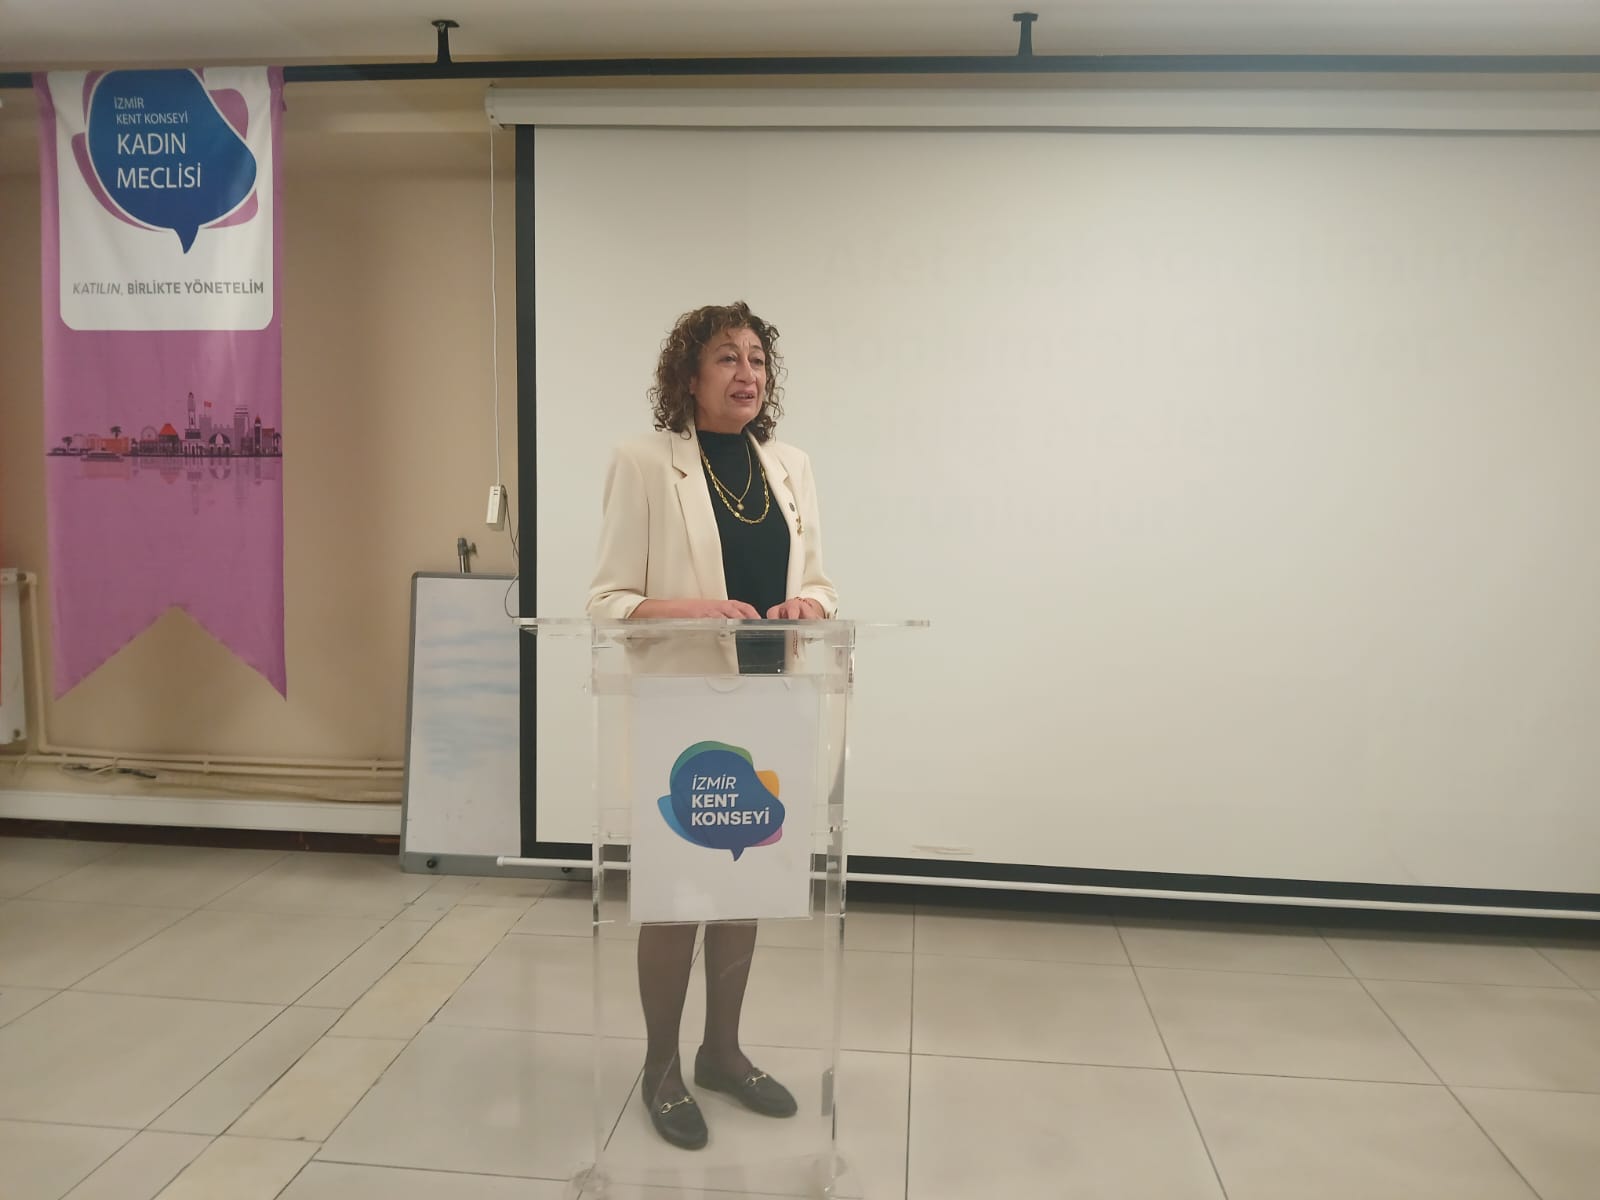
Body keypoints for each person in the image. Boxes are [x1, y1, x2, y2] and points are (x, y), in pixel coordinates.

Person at [587, 301, 838, 1150]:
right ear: (688, 377)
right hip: (683, 711)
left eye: (758, 359)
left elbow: (821, 583)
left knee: (744, 882)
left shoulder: (791, 466)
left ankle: (722, 1053)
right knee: (677, 896)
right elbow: (608, 599)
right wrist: (691, 609)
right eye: (727, 357)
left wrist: (810, 606)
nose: (747, 373)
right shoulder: (644, 463)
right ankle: (661, 1067)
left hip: (772, 706)